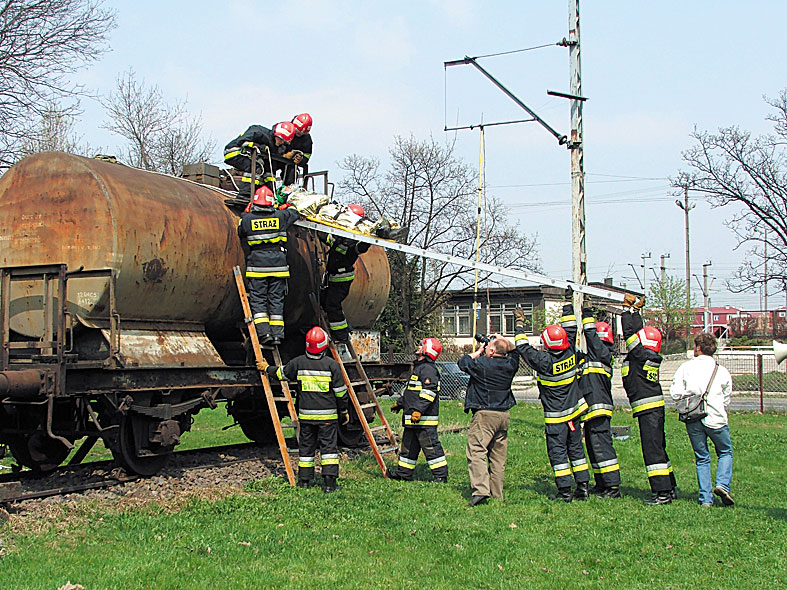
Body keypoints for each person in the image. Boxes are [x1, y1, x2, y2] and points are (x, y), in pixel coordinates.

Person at [515, 302, 590, 503]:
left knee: (558, 454)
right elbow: (571, 329)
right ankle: (582, 488)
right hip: (574, 414)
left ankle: (565, 492)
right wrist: (567, 305)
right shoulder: (571, 353)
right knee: (576, 450)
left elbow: (522, 346)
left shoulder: (544, 361)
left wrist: (520, 323)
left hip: (556, 418)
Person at [266, 326, 349, 492]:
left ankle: (304, 482)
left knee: (306, 449)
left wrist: (267, 368)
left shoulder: (299, 362)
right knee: (329, 450)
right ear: (324, 345)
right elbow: (341, 393)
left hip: (306, 417)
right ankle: (329, 485)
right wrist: (344, 411)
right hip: (327, 418)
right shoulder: (332, 365)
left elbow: (282, 373)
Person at [621, 296, 677, 505]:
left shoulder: (640, 354)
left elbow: (629, 335)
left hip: (648, 410)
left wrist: (626, 310)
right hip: (654, 408)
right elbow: (636, 335)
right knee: (659, 447)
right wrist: (636, 312)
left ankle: (661, 493)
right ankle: (670, 487)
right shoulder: (648, 354)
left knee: (652, 451)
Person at [669, 332, 734, 507]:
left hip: (693, 416)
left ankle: (706, 499)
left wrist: (689, 395)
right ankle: (722, 484)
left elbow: (674, 393)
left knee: (702, 458)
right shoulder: (721, 370)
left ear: (698, 348)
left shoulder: (686, 367)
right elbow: (727, 397)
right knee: (725, 452)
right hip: (716, 418)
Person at [458, 334, 519, 507]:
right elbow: (515, 351)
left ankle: (481, 490)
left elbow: (463, 362)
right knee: (498, 457)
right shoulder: (510, 365)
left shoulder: (482, 364)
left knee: (476, 451)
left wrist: (478, 352)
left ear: (491, 351)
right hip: (503, 415)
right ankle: (497, 494)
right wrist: (502, 340)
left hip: (485, 414)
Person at [237, 186, 301, 345]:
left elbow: (240, 230)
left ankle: (264, 334)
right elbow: (295, 212)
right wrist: (285, 204)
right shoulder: (281, 216)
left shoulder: (247, 219)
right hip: (278, 266)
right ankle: (278, 335)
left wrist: (246, 213)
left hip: (257, 267)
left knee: (258, 301)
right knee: (276, 301)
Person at [387, 338, 448, 484]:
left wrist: (418, 411)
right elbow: (412, 392)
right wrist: (400, 403)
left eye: (422, 345)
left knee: (431, 447)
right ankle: (404, 474)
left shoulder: (427, 369)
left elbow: (429, 392)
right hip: (413, 419)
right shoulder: (420, 368)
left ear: (428, 350)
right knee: (408, 448)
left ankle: (440, 476)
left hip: (424, 420)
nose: (419, 347)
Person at [578, 310, 621, 498]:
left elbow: (590, 334)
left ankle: (612, 487)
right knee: (594, 448)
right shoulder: (595, 356)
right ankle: (602, 483)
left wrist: (587, 314)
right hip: (592, 409)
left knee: (601, 446)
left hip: (599, 408)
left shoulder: (602, 352)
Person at [320, 204, 371, 342]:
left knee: (332, 305)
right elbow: (327, 238)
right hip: (334, 277)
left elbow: (361, 247)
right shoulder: (341, 236)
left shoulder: (355, 241)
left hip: (341, 279)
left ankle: (341, 336)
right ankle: (345, 328)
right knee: (325, 301)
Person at [224, 122, 296, 192]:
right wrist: (260, 147)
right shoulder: (258, 132)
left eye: (284, 141)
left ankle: (269, 193)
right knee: (257, 167)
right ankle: (246, 194)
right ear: (276, 134)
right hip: (234, 152)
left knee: (269, 171)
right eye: (281, 139)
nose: (282, 142)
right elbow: (243, 143)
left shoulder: (276, 145)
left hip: (250, 156)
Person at [281, 112, 313, 185]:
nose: (299, 134)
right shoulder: (284, 128)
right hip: (276, 158)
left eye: (302, 133)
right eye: (298, 131)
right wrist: (283, 154)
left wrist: (301, 160)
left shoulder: (306, 139)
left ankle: (288, 189)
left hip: (291, 164)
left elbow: (307, 156)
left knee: (291, 171)